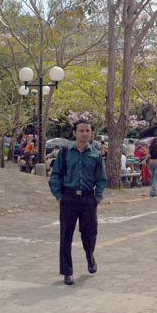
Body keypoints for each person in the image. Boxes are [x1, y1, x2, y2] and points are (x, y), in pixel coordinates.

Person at [48, 120, 107, 286]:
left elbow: (101, 178)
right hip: (69, 199)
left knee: (90, 234)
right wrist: (59, 196)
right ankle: (67, 272)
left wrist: (97, 197)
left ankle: (90, 256)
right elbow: (55, 175)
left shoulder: (95, 154)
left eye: (87, 131)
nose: (84, 134)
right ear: (74, 133)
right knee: (65, 236)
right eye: (81, 130)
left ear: (91, 134)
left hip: (88, 199)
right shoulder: (65, 152)